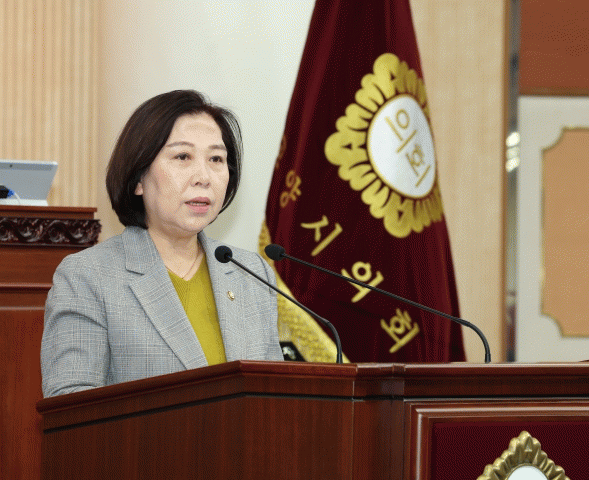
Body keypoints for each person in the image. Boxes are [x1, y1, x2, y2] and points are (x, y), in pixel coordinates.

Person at [41, 90, 283, 397]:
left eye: (216, 159)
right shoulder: (89, 277)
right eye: (183, 157)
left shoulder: (251, 273)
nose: (204, 177)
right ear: (138, 179)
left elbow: (274, 397)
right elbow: (70, 403)